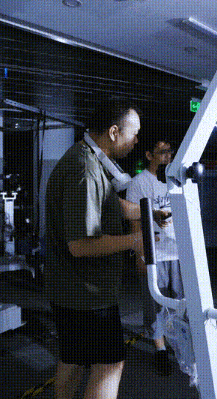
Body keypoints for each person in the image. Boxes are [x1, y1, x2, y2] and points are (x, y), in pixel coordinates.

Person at [44, 100, 169, 399]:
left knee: (74, 360)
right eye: (134, 134)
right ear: (114, 132)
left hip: (73, 291)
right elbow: (80, 245)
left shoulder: (89, 160)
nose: (137, 141)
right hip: (87, 295)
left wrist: (149, 213)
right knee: (110, 365)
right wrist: (137, 240)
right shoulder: (85, 170)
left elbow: (112, 205)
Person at [126, 136, 183, 376]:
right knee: (155, 305)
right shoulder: (139, 183)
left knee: (181, 302)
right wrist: (140, 255)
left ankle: (181, 346)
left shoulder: (178, 180)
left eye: (170, 151)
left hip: (179, 253)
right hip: (155, 253)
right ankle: (160, 350)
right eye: (162, 152)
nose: (168, 156)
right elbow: (134, 223)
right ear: (149, 155)